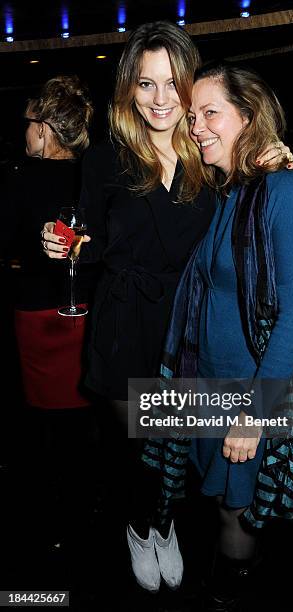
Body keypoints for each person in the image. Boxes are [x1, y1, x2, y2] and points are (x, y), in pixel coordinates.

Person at [40, 22, 293, 594]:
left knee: (173, 448)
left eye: (172, 84)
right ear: (129, 90)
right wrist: (64, 245)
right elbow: (92, 240)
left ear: (190, 85)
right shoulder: (106, 160)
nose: (160, 100)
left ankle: (163, 522)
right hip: (122, 321)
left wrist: (273, 156)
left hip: (188, 326)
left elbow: (257, 196)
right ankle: (140, 528)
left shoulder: (211, 156)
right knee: (133, 449)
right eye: (145, 84)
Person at [143, 61, 293, 609]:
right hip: (207, 388)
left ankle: (230, 593)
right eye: (193, 114)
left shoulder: (286, 192)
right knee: (218, 501)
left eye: (210, 113)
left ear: (248, 117)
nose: (196, 125)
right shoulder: (229, 196)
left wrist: (254, 413)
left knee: (236, 510)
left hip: (249, 393)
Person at [1, 75, 97, 548]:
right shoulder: (96, 177)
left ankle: (48, 519)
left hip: (39, 315)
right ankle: (81, 509)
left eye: (28, 124)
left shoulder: (20, 179)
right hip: (87, 315)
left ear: (45, 129)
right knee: (84, 415)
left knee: (41, 420)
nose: (24, 134)